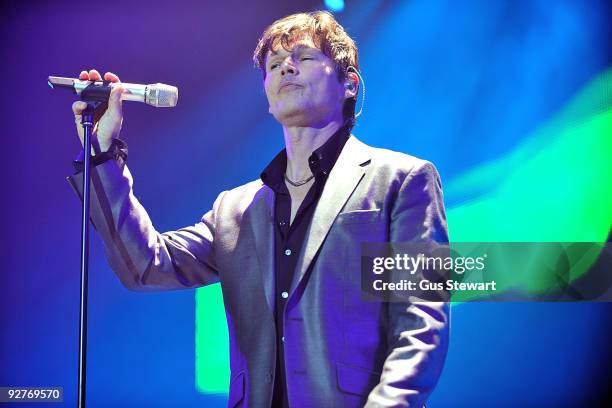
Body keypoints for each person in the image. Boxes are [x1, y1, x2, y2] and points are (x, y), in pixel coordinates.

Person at [68, 11, 449, 408]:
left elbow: (420, 323)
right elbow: (145, 265)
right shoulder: (235, 208)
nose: (286, 67)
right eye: (273, 64)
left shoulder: (401, 179)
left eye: (302, 57)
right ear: (267, 97)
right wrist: (101, 154)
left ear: (349, 83)